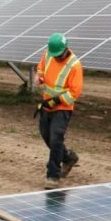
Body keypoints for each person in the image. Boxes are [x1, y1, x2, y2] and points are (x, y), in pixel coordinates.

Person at [34, 33, 83, 189]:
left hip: (62, 108)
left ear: (65, 49)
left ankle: (53, 176)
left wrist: (55, 101)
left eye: (59, 55)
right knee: (46, 135)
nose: (56, 57)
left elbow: (74, 93)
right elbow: (41, 68)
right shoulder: (48, 54)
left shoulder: (74, 65)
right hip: (47, 105)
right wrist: (39, 77)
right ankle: (68, 157)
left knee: (56, 139)